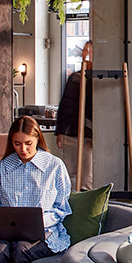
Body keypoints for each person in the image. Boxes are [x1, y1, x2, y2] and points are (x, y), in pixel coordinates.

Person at [0, 116, 71, 263]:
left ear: (38, 139)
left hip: (45, 233)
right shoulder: (1, 168)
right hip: (7, 235)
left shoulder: (55, 166)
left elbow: (62, 208)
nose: (23, 149)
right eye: (17, 143)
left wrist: (39, 221)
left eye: (28, 143)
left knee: (21, 250)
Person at [54, 41, 94, 191]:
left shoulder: (97, 78)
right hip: (71, 132)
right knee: (69, 174)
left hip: (89, 134)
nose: (85, 54)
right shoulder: (75, 77)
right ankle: (68, 199)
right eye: (84, 50)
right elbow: (65, 104)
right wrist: (60, 131)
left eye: (89, 51)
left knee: (87, 177)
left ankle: (84, 200)